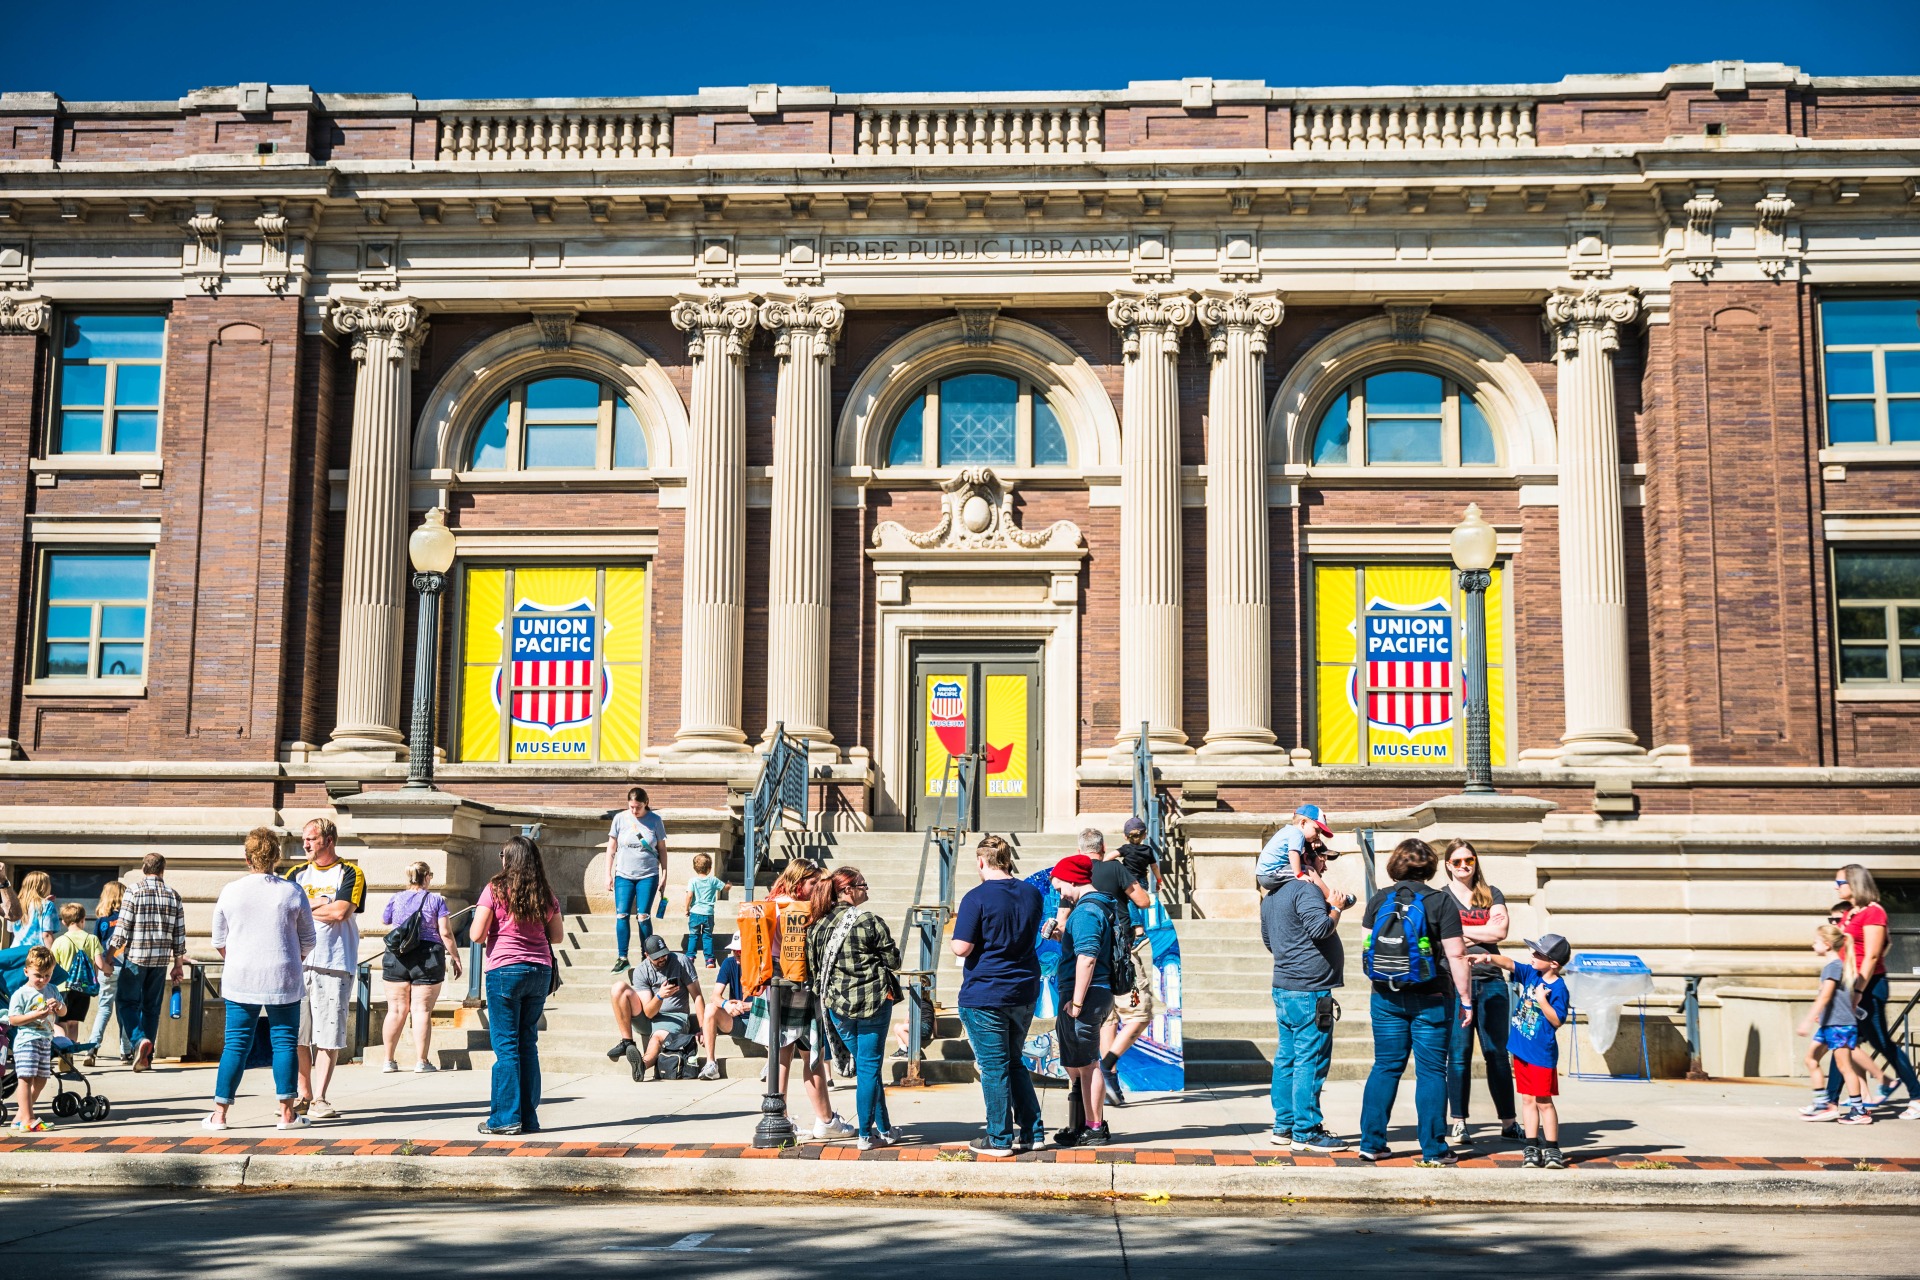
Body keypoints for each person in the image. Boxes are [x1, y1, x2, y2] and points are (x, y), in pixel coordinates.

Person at [1356, 837, 1475, 1166]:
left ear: (1396, 864)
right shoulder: (1441, 902)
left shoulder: (1379, 899)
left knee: (1385, 1067)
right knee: (1433, 1072)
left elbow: (1368, 946)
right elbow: (1457, 954)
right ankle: (1434, 1150)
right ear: (1431, 867)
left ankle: (1372, 1143)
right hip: (1433, 996)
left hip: (1385, 995)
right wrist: (1466, 998)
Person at [206, 827, 316, 1132]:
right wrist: (293, 959)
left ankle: (220, 1115)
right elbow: (308, 938)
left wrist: (239, 959)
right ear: (277, 857)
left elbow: (218, 939)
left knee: (236, 1045)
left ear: (246, 857)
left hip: (242, 976)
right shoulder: (292, 891)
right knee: (284, 1042)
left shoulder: (231, 890)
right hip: (283, 974)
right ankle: (286, 1114)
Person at [952, 834, 1045, 1157]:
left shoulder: (975, 898)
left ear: (981, 861)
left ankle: (999, 1138)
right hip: (1024, 988)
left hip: (987, 991)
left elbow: (962, 947)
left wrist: (957, 942)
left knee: (994, 1067)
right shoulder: (1032, 893)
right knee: (1014, 1061)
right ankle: (1033, 1131)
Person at [749, 859, 852, 1140]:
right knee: (812, 1054)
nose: (816, 888)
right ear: (798, 884)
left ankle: (779, 1117)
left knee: (780, 1054)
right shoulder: (796, 909)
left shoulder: (771, 902)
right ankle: (825, 1120)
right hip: (797, 985)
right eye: (812, 883)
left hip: (773, 984)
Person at [1262, 835, 1349, 1153]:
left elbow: (1268, 939)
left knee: (1287, 1058)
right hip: (1309, 991)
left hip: (1285, 988)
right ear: (1308, 856)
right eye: (1323, 856)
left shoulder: (1271, 893)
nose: (1325, 863)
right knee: (1310, 1061)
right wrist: (1336, 908)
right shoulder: (1307, 889)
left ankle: (1283, 1126)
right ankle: (1306, 1131)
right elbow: (1321, 929)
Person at [472, 835, 562, 1136]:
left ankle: (505, 1118)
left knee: (506, 1046)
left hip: (504, 970)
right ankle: (528, 1117)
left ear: (508, 858)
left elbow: (475, 934)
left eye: (501, 853)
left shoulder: (495, 888)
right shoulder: (545, 893)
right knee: (527, 1043)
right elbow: (558, 935)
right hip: (539, 970)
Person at [809, 866, 904, 1150]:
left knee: (867, 1068)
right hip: (874, 1002)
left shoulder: (817, 925)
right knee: (869, 1068)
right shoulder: (869, 921)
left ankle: (885, 1129)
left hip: (838, 1008)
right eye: (863, 885)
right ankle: (865, 1134)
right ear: (847, 890)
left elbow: (814, 971)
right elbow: (894, 962)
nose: (866, 889)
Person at [1442, 838, 1521, 1147]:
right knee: (1458, 1056)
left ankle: (1509, 1122)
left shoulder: (1490, 894)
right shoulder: (1442, 898)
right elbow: (1440, 938)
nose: (1464, 866)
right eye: (1458, 861)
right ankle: (1459, 1123)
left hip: (1491, 983)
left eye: (1469, 860)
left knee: (1497, 1054)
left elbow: (1500, 932)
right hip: (1454, 984)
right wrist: (1480, 929)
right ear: (1448, 864)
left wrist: (1459, 932)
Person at [286, 818, 365, 1120]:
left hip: (334, 962)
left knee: (328, 1033)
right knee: (299, 1035)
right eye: (304, 838)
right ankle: (304, 1094)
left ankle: (320, 1097)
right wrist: (318, 903)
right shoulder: (295, 873)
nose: (305, 844)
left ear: (329, 840)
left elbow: (341, 911)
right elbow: (286, 912)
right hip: (298, 961)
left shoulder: (350, 873)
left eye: (312, 838)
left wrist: (306, 907)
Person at [1476, 934, 1573, 1168]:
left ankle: (1552, 1148)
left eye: (1538, 954)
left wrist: (1542, 1000)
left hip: (1540, 1055)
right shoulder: (1532, 973)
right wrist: (1487, 957)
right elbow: (1509, 963)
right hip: (1521, 1050)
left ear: (1554, 963)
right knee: (1527, 1100)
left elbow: (1557, 1020)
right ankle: (1530, 1146)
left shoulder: (1558, 988)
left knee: (1544, 1102)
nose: (1532, 955)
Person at [1833, 864, 1920, 1119]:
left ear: (1855, 883)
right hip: (1853, 984)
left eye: (1840, 883)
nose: (1836, 887)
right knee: (1843, 1041)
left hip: (1869, 986)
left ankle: (1915, 1095)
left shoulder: (1874, 912)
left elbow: (1871, 956)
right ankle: (1830, 1101)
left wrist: (1858, 991)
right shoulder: (1851, 913)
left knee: (1882, 1044)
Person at [1050, 853, 1117, 1148]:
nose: (1059, 893)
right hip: (1088, 993)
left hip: (1086, 996)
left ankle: (1094, 1127)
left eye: (1060, 886)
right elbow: (1084, 950)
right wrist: (1060, 938)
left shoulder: (1087, 912)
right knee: (1077, 1061)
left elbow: (1088, 958)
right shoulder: (1089, 910)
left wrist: (1076, 1003)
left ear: (1072, 879)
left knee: (1088, 1063)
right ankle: (1081, 1123)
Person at [380, 860, 462, 1074]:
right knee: (421, 1010)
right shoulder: (436, 900)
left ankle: (388, 1060)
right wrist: (456, 956)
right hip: (428, 957)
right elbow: (445, 932)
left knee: (396, 1010)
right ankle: (421, 1061)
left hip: (397, 956)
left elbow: (385, 920)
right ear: (427, 877)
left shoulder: (396, 898)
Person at [109, 852, 186, 1073]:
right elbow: (179, 934)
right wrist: (178, 964)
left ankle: (139, 1039)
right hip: (161, 961)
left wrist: (109, 955)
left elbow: (122, 928)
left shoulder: (134, 891)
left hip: (136, 957)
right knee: (151, 1008)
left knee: (126, 1002)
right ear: (163, 870)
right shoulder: (174, 895)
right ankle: (146, 1059)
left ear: (144, 868)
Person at [1799, 924, 1873, 1125]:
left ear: (1827, 944)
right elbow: (1838, 999)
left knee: (1845, 1067)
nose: (1812, 945)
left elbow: (1825, 996)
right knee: (1811, 1059)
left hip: (1838, 1026)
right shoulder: (1835, 966)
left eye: (1815, 941)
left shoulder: (1833, 967)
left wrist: (1807, 1020)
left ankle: (1859, 1110)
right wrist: (1821, 1016)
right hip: (1830, 1024)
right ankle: (1823, 1105)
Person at [608, 932, 707, 1081]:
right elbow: (648, 1012)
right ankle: (627, 1042)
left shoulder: (681, 961)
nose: (662, 959)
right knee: (618, 988)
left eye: (664, 954)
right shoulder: (641, 971)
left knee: (657, 1036)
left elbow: (697, 996)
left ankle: (642, 1065)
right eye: (657, 957)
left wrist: (703, 1029)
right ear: (647, 955)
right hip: (649, 1016)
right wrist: (660, 996)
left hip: (675, 1017)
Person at [606, 787, 668, 974]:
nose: (634, 811)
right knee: (622, 914)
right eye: (631, 807)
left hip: (648, 875)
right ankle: (622, 957)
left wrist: (664, 874)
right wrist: (607, 874)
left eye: (638, 807)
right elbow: (611, 848)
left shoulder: (655, 821)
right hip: (623, 874)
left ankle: (647, 955)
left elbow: (662, 849)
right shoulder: (619, 819)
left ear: (646, 803)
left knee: (643, 916)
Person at [7, 945, 65, 1132]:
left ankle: (19, 1117)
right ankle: (29, 1119)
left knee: (41, 1080)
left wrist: (58, 1006)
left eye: (47, 975)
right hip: (27, 1040)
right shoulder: (21, 994)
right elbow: (13, 1020)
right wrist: (35, 1016)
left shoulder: (53, 990)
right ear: (27, 972)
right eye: (38, 975)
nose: (43, 979)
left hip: (45, 1039)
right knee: (26, 1078)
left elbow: (64, 1011)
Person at [50, 903, 108, 1044]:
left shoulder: (59, 941)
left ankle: (64, 1048)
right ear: (83, 919)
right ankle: (71, 1049)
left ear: (63, 922)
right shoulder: (92, 939)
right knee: (74, 1022)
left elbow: (52, 967)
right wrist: (109, 969)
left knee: (60, 1022)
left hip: (63, 988)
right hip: (83, 988)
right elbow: (100, 964)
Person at [697, 936, 750, 1081]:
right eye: (734, 950)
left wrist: (749, 1006)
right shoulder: (729, 963)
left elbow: (772, 1001)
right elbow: (714, 996)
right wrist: (727, 1004)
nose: (737, 953)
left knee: (772, 1011)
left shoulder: (761, 965)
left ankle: (772, 1063)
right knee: (710, 1008)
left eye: (740, 950)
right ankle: (711, 1064)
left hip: (760, 1020)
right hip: (737, 1021)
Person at [85, 880, 126, 1066]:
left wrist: (95, 973)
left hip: (106, 969)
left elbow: (95, 948)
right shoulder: (128, 919)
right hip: (127, 968)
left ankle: (92, 1049)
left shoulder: (101, 921)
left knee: (104, 1009)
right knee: (126, 1010)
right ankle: (127, 1051)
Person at [1255, 804, 1335, 893]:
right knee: (1309, 870)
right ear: (1303, 823)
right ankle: (1330, 896)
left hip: (1264, 874)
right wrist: (1299, 874)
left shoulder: (1289, 831)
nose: (1318, 835)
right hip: (1270, 874)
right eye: (1316, 830)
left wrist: (1315, 839)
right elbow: (1293, 853)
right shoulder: (1298, 834)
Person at [682, 853, 723, 968]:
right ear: (710, 869)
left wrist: (686, 909)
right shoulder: (713, 880)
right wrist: (729, 886)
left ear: (695, 868)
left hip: (695, 913)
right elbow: (724, 887)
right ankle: (709, 959)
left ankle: (690, 957)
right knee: (707, 936)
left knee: (693, 935)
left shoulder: (693, 881)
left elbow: (689, 895)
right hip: (708, 913)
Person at [13, 871, 58, 950]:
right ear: (43, 886)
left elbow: (10, 930)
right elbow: (46, 935)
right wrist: (53, 956)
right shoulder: (47, 905)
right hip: (37, 953)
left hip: (16, 951)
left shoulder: (15, 905)